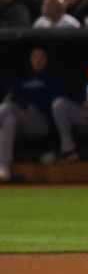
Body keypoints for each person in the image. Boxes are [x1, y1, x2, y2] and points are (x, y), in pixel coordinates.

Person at [0, 47, 63, 182]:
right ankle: (4, 168)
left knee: (8, 108)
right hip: (21, 119)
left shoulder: (52, 78)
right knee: (9, 120)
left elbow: (54, 104)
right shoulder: (24, 78)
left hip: (42, 122)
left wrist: (29, 101)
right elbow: (13, 95)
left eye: (41, 57)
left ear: (46, 59)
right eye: (35, 57)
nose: (38, 60)